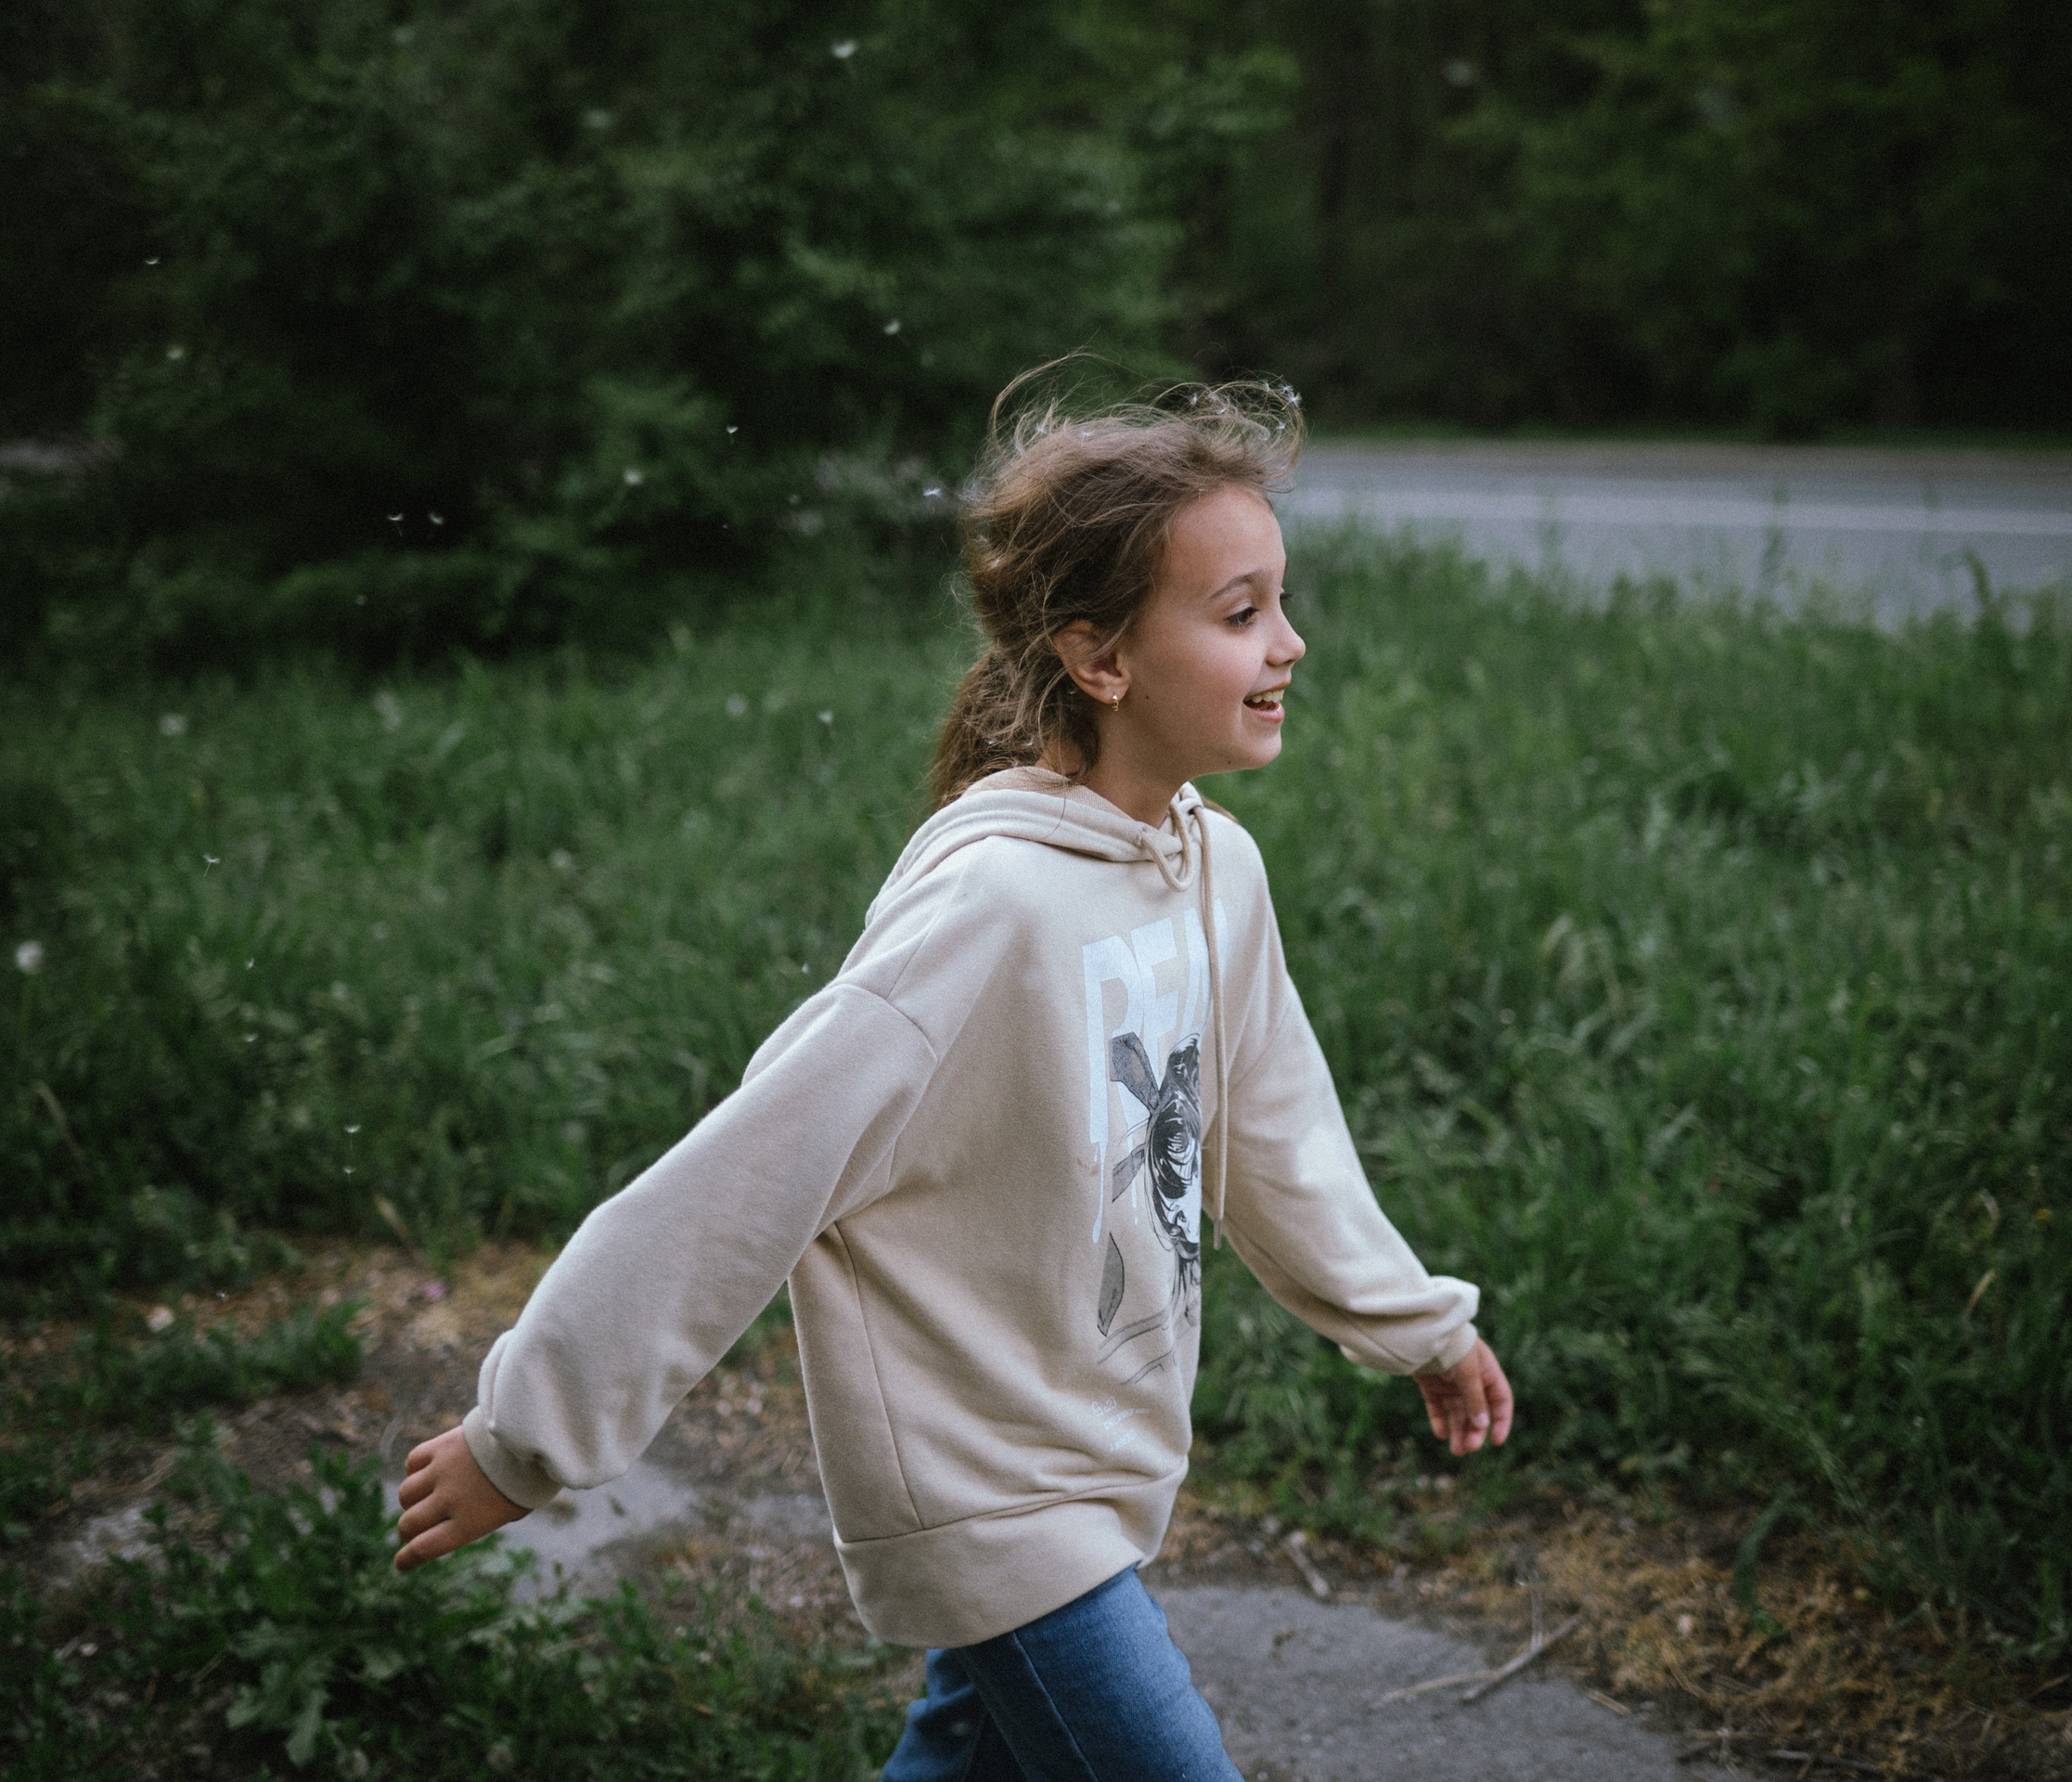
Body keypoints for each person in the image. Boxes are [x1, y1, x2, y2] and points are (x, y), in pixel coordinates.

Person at [393, 374, 1515, 1781]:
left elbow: (1271, 1138)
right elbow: (746, 1175)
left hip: (1103, 1461)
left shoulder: (1215, 868)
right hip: (995, 1496)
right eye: (1238, 616)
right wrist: (527, 1438)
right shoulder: (992, 914)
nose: (1289, 645)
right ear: (1099, 659)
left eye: (1280, 602)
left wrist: (1416, 1324)